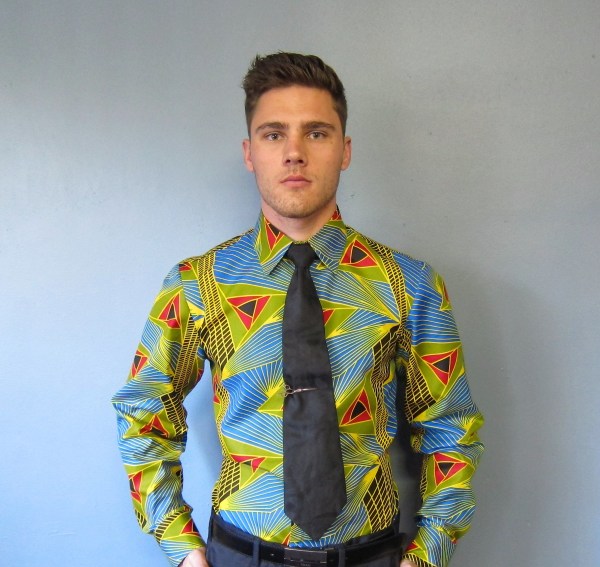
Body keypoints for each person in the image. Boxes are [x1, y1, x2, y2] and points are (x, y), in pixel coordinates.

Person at [112, 52, 484, 567]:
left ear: (344, 149)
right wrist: (183, 549)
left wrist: (427, 555)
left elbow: (451, 427)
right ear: (249, 153)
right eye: (273, 134)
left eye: (316, 132)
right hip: (239, 555)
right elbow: (143, 411)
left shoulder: (409, 285)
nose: (294, 153)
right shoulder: (197, 284)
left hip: (370, 556)